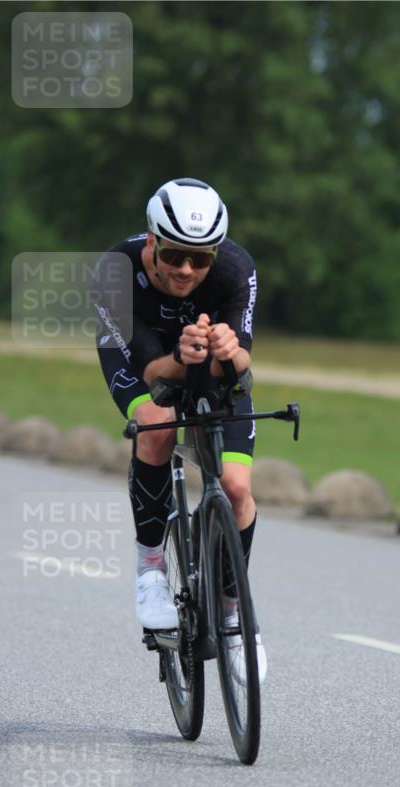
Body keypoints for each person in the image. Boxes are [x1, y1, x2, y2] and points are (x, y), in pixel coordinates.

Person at [93, 177, 266, 681]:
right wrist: (180, 356)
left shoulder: (237, 269)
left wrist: (230, 355)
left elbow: (242, 368)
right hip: (140, 352)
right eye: (173, 255)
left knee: (235, 488)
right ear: (151, 240)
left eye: (200, 259)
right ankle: (150, 567)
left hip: (204, 359)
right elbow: (152, 372)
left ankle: (235, 615)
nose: (187, 269)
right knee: (158, 421)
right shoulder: (115, 272)